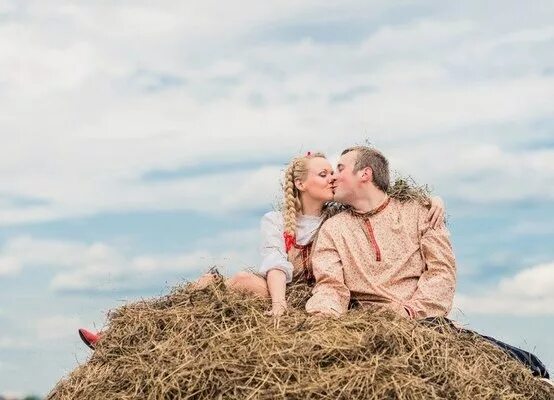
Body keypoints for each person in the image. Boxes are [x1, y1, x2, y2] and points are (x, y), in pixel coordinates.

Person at [78, 151, 446, 349]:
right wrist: (278, 302)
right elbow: (275, 263)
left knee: (235, 280)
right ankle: (129, 334)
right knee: (211, 283)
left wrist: (430, 198)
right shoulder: (279, 221)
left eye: (337, 171)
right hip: (285, 289)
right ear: (301, 185)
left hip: (313, 295)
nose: (333, 177)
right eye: (325, 174)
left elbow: (382, 199)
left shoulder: (339, 217)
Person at [305, 145, 549, 379]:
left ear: (365, 174)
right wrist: (323, 320)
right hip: (374, 328)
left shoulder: (420, 212)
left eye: (340, 168)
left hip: (426, 321)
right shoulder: (332, 229)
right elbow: (330, 286)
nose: (333, 177)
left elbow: (441, 271)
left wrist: (412, 311)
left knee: (527, 365)